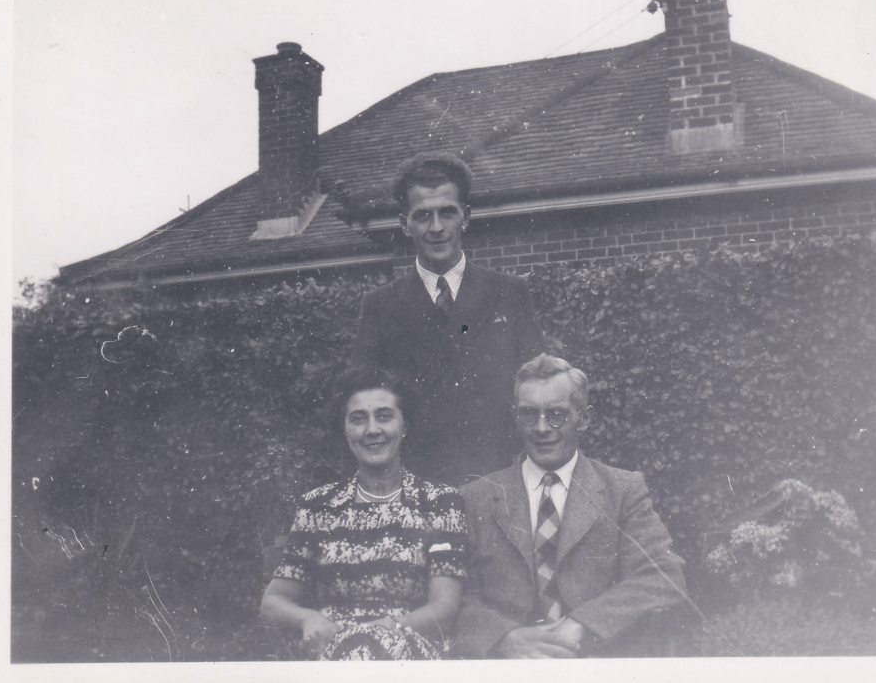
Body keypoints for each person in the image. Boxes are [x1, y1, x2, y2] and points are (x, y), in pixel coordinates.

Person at [455, 354, 687, 659]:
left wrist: (583, 623)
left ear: (585, 418)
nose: (541, 428)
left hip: (596, 663)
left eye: (556, 414)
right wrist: (503, 638)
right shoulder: (476, 497)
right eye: (528, 414)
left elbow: (664, 575)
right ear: (515, 417)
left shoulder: (622, 490)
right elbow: (456, 596)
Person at [352, 151, 545, 486]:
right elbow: (362, 405)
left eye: (447, 213)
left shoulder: (510, 294)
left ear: (465, 217)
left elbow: (539, 393)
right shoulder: (380, 307)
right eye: (423, 215)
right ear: (404, 224)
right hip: (416, 491)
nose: (437, 227)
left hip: (501, 482)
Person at [259, 366, 467, 660]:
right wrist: (308, 618)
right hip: (331, 656)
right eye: (358, 419)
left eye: (384, 416)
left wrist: (385, 629)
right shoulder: (319, 506)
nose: (372, 430)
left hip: (409, 653)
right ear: (345, 430)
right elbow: (273, 602)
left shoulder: (439, 502)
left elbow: (445, 607)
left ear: (404, 426)